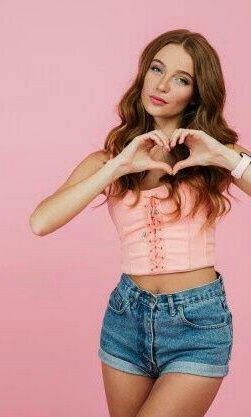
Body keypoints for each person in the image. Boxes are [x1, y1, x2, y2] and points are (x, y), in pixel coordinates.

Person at [28, 29, 251, 417]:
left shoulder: (217, 155)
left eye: (181, 79)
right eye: (156, 69)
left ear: (196, 93)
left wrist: (225, 157)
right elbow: (41, 222)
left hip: (197, 323)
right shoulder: (110, 160)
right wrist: (118, 165)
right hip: (126, 318)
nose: (162, 86)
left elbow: (231, 161)